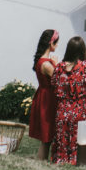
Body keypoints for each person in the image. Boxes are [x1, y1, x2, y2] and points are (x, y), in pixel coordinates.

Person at [51, 36, 86, 165]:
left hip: (63, 109)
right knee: (81, 136)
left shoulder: (59, 67)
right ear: (82, 50)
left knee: (63, 136)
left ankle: (62, 160)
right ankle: (82, 160)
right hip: (81, 108)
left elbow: (53, 85)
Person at [28, 29, 59, 161]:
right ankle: (42, 161)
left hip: (43, 95)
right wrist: (57, 64)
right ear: (51, 43)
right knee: (47, 135)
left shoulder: (41, 60)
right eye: (56, 43)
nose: (57, 46)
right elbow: (59, 79)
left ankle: (43, 161)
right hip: (49, 98)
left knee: (46, 136)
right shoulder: (47, 64)